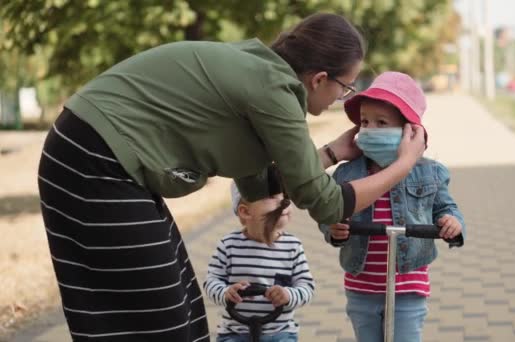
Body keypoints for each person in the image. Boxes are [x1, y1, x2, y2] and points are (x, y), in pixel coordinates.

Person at [37, 13, 426, 341]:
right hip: (92, 159)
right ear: (319, 78)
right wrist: (402, 166)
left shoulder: (261, 69)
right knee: (158, 316)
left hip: (101, 156)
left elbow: (262, 185)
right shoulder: (275, 89)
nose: (342, 99)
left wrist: (332, 153)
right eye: (346, 88)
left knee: (185, 309)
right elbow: (325, 203)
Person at [319, 72, 466, 342]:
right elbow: (329, 212)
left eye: (381, 122)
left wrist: (451, 223)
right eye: (364, 122)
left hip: (408, 286)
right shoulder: (348, 174)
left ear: (409, 130)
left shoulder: (429, 173)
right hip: (361, 286)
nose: (370, 129)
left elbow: (446, 208)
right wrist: (333, 228)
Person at [204, 179, 313, 342]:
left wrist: (288, 295)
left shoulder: (292, 246)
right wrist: (225, 292)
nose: (283, 201)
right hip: (235, 331)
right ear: (245, 212)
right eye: (271, 197)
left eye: (284, 195)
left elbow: (307, 287)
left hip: (280, 332)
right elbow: (211, 281)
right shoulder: (228, 245)